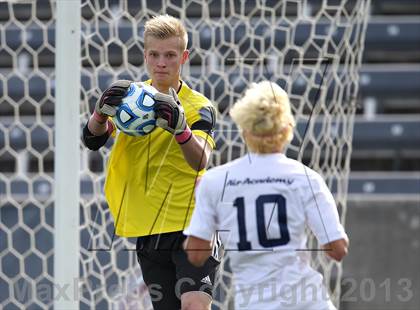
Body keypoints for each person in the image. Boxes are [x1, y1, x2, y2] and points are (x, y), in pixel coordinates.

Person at [82, 14, 219, 310]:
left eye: (170, 55)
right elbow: (92, 140)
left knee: (195, 304)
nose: (161, 62)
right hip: (148, 228)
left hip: (192, 223)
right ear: (145, 55)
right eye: (154, 54)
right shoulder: (132, 99)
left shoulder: (199, 107)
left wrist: (180, 130)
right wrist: (100, 114)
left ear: (183, 57)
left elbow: (201, 160)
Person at [183, 81, 349, 310]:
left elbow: (196, 256)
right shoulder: (305, 178)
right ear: (287, 129)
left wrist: (207, 211)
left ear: (244, 130)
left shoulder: (215, 181)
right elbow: (337, 250)